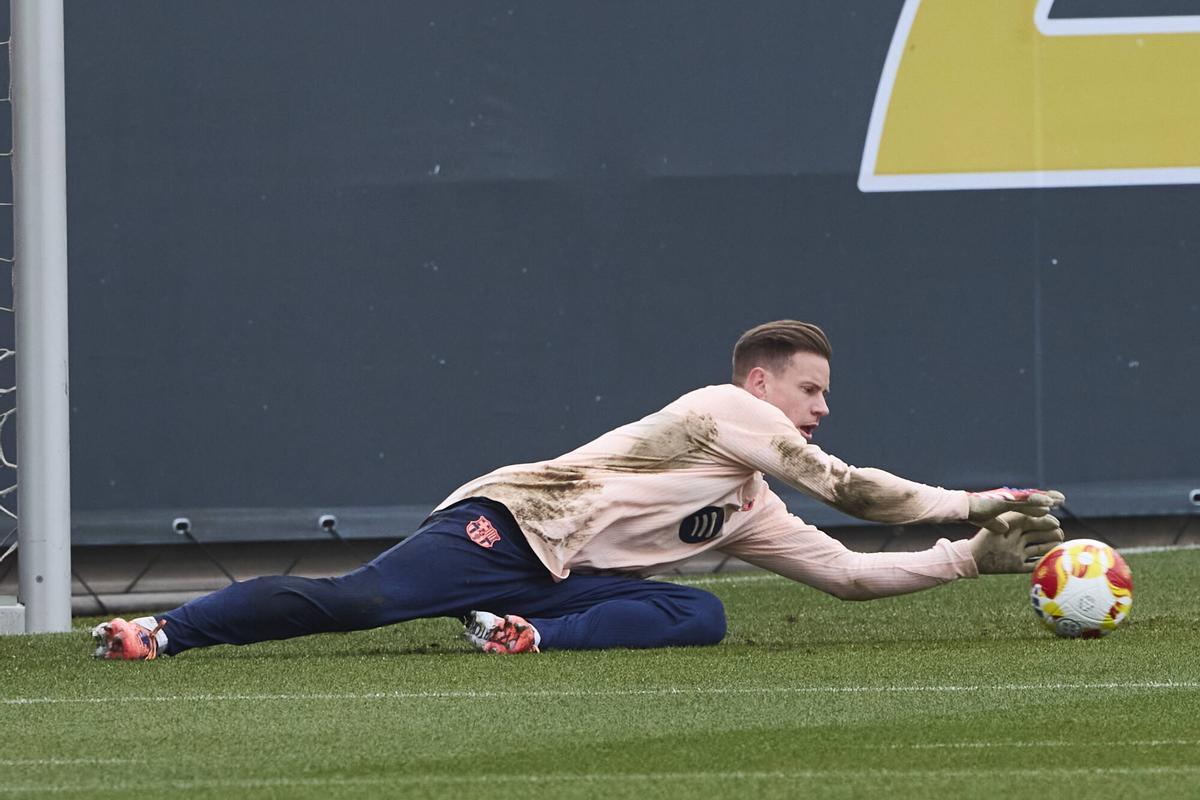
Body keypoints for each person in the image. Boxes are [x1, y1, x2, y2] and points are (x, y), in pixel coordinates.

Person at [92, 320, 1064, 660]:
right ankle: (162, 631)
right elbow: (853, 494)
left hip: (555, 588)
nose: (818, 409)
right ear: (759, 383)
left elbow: (848, 575)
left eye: (826, 396)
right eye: (809, 390)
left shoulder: (752, 504)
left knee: (699, 613)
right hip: (515, 523)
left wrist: (970, 560)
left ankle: (527, 637)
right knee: (362, 602)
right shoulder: (719, 407)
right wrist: (973, 501)